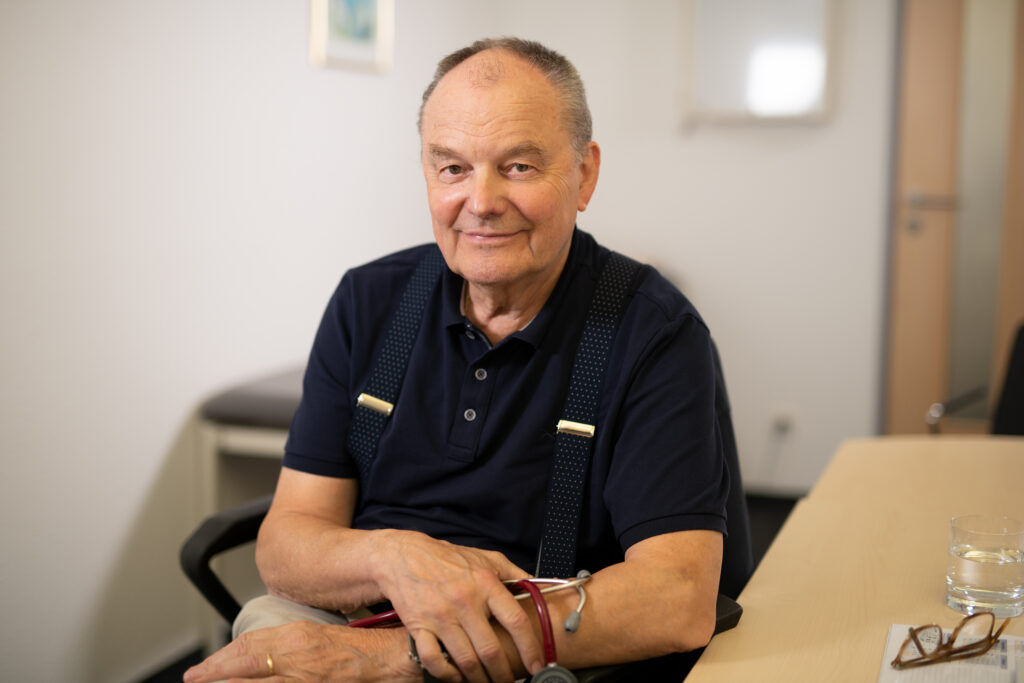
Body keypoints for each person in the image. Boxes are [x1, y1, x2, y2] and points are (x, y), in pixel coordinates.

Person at [185, 37, 729, 683]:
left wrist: (397, 658)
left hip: (542, 645)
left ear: (584, 174)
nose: (482, 201)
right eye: (452, 168)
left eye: (518, 166)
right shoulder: (368, 301)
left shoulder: (655, 332)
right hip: (357, 615)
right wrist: (395, 558)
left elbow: (676, 600)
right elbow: (285, 547)